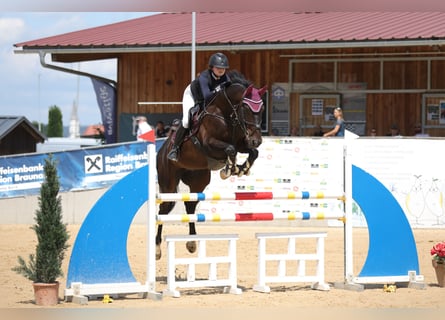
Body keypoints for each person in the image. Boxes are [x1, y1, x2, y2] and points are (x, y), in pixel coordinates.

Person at [167, 52, 231, 161]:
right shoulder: (204, 76)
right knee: (187, 121)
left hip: (209, 100)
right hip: (193, 96)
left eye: (223, 68)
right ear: (212, 67)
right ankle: (175, 149)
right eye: (218, 67)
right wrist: (219, 88)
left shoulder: (226, 79)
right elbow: (206, 96)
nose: (221, 70)